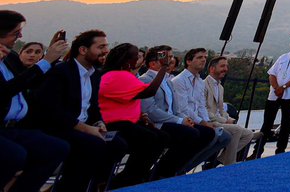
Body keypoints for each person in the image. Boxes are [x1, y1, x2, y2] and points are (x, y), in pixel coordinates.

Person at [27, 29, 129, 192]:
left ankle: (95, 184)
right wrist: (86, 129)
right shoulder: (61, 72)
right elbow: (53, 111)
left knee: (118, 144)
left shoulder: (94, 75)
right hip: (60, 127)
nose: (105, 51)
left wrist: (99, 122)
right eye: (100, 47)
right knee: (92, 145)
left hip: (84, 127)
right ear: (83, 50)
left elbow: (93, 106)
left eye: (106, 47)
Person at [0, 11, 70, 192]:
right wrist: (46, 60)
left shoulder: (11, 57)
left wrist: (50, 59)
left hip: (14, 127)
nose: (20, 36)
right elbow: (6, 91)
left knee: (56, 148)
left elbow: (30, 81)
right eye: (16, 33)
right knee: (15, 155)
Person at [98, 43, 171, 187]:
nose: (139, 59)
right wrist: (163, 67)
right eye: (136, 56)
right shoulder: (114, 76)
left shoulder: (125, 75)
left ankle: (134, 176)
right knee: (149, 139)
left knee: (161, 137)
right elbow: (149, 91)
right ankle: (123, 181)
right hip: (112, 123)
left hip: (127, 121)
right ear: (126, 59)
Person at [139, 46, 216, 177]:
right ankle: (162, 172)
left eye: (170, 57)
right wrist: (180, 120)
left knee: (206, 133)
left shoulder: (167, 81)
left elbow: (176, 108)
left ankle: (173, 168)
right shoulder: (145, 80)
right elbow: (151, 110)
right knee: (190, 134)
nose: (170, 61)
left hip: (172, 120)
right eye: (166, 58)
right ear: (153, 63)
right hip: (157, 122)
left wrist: (184, 119)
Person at [171, 48, 230, 168]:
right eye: (199, 57)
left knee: (224, 137)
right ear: (188, 61)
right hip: (184, 119)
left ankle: (188, 165)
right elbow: (183, 108)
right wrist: (203, 122)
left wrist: (207, 121)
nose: (203, 60)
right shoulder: (179, 80)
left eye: (204, 57)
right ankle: (180, 167)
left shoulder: (199, 82)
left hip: (197, 119)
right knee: (208, 134)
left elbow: (201, 105)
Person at [203, 55, 260, 164]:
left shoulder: (220, 87)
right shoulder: (204, 85)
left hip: (218, 120)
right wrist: (224, 121)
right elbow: (204, 111)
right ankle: (230, 162)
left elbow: (221, 109)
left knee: (248, 134)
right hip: (208, 122)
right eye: (222, 66)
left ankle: (221, 159)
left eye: (226, 66)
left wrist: (228, 118)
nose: (225, 69)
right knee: (237, 130)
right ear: (212, 69)